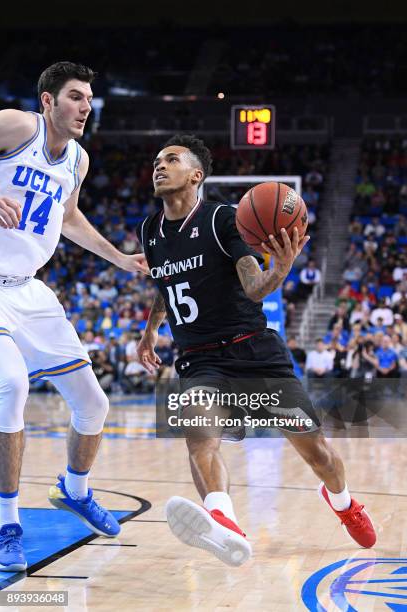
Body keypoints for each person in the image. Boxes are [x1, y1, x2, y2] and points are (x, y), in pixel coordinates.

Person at [136, 135, 376, 567]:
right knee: (200, 439)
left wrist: (280, 269)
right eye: (156, 160)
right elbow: (163, 284)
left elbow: (254, 288)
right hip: (200, 359)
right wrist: (150, 331)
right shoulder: (150, 230)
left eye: (171, 159)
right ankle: (222, 520)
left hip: (253, 351)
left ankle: (343, 503)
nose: (159, 165)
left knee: (318, 454)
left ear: (196, 175)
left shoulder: (222, 219)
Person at [0, 61, 148, 571]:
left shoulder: (77, 161)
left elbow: (67, 218)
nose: (86, 106)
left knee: (94, 403)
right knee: (11, 386)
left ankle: (74, 488)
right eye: (75, 97)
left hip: (29, 291)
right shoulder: (18, 126)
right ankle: (7, 524)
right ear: (47, 101)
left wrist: (121, 259)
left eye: (88, 98)